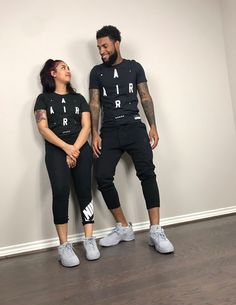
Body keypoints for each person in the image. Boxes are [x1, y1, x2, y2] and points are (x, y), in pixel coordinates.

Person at [89, 26, 174, 254]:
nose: (101, 51)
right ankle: (123, 227)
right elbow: (94, 103)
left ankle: (155, 230)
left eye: (105, 46)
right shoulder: (96, 72)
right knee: (102, 176)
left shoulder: (134, 67)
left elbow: (145, 95)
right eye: (99, 47)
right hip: (109, 131)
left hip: (135, 128)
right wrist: (94, 133)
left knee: (147, 173)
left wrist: (153, 125)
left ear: (117, 43)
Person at [34, 59, 100, 267]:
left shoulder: (79, 98)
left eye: (68, 67)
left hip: (80, 149)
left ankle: (89, 239)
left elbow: (86, 127)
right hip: (56, 150)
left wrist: (75, 149)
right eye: (63, 67)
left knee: (84, 192)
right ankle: (64, 246)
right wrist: (66, 148)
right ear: (52, 73)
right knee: (61, 192)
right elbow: (43, 128)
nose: (68, 70)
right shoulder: (43, 99)